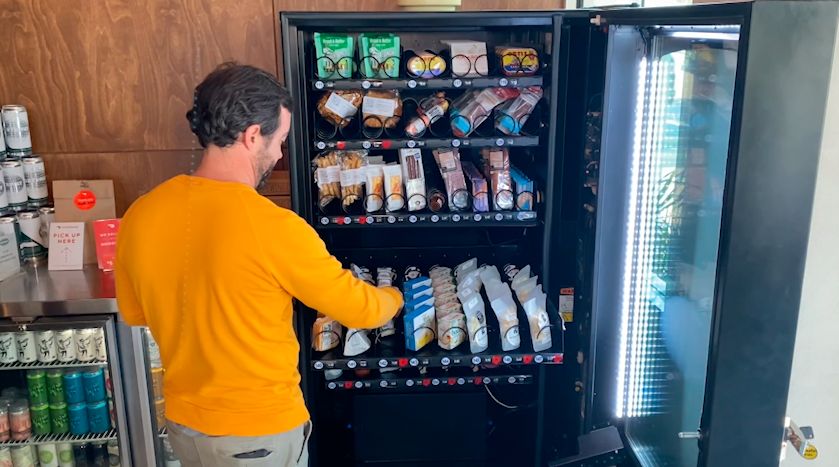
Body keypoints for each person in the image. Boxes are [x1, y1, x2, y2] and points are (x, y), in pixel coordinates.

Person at [115, 63, 402, 466]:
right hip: (256, 433)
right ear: (252, 136)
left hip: (184, 425)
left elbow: (136, 312)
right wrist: (394, 296)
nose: (280, 154)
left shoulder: (141, 214)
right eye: (280, 140)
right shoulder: (273, 227)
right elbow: (362, 309)